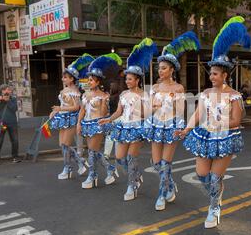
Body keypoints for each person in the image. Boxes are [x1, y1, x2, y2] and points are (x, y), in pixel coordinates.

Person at [176, 16, 250, 229]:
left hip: (225, 137)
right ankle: (216, 197)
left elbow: (237, 120)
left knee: (216, 177)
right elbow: (198, 114)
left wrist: (220, 123)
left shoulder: (234, 95)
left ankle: (214, 207)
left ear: (225, 75)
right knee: (201, 175)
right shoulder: (206, 93)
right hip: (205, 136)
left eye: (216, 74)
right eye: (211, 73)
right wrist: (186, 129)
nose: (212, 77)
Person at [143, 31, 200, 211]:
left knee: (166, 163)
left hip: (172, 125)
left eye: (164, 68)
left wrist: (174, 101)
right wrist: (156, 105)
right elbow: (148, 108)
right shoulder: (154, 87)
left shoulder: (178, 87)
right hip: (156, 124)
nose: (160, 71)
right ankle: (170, 184)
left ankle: (161, 195)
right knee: (155, 162)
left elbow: (182, 110)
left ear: (172, 70)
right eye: (159, 68)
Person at [100, 38, 156, 201]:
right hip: (124, 128)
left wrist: (154, 108)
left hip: (138, 128)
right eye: (126, 79)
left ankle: (132, 186)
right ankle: (136, 174)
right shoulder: (124, 95)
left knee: (131, 157)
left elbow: (146, 114)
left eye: (130, 79)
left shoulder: (144, 95)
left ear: (137, 80)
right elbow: (119, 111)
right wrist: (108, 119)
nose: (127, 81)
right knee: (119, 158)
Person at [77, 54, 122, 189]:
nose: (89, 82)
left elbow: (103, 114)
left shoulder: (104, 96)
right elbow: (82, 111)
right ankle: (110, 168)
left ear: (98, 82)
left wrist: (104, 101)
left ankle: (93, 176)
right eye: (88, 80)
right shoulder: (85, 95)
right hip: (86, 124)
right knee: (95, 151)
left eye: (91, 80)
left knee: (92, 151)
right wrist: (79, 123)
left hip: (97, 124)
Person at [49, 57, 88, 180]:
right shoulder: (64, 89)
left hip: (71, 118)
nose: (63, 79)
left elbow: (76, 107)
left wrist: (60, 109)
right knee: (62, 144)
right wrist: (55, 112)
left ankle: (67, 168)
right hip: (62, 117)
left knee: (66, 144)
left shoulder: (74, 91)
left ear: (72, 79)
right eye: (63, 77)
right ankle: (80, 162)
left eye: (66, 77)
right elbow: (62, 105)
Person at [0, 84, 21, 165]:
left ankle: (15, 157)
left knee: (15, 140)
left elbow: (15, 109)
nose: (9, 92)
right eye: (7, 90)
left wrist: (8, 101)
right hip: (1, 123)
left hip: (12, 123)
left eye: (9, 90)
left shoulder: (12, 99)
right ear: (2, 91)